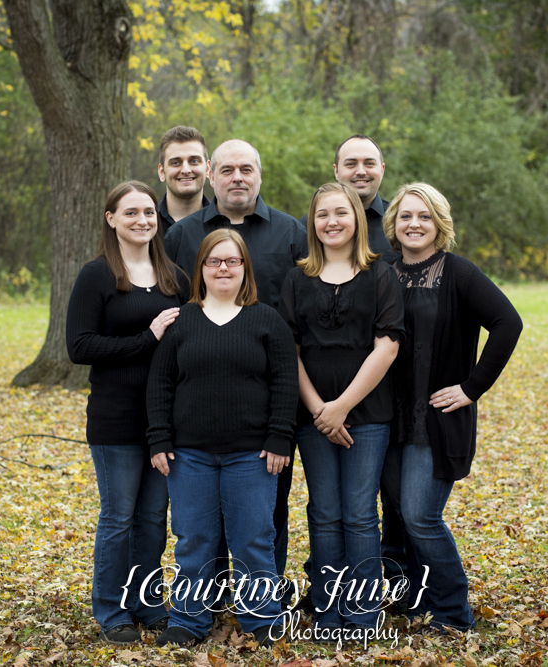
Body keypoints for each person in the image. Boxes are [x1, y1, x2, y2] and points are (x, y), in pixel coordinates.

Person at [163, 139, 307, 590]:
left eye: (246, 168)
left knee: (267, 508)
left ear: (260, 174)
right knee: (200, 517)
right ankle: (212, 594)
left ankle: (263, 593)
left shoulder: (292, 233)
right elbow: (172, 320)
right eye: (227, 170)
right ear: (211, 175)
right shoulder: (183, 235)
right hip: (199, 399)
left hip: (269, 398)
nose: (237, 177)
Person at [380, 182, 522, 631]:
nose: (414, 224)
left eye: (423, 216)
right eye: (406, 216)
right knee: (400, 514)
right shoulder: (382, 272)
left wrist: (471, 387)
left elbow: (507, 323)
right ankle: (418, 600)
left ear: (439, 224)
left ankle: (454, 612)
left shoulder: (458, 273)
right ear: (393, 224)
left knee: (421, 515)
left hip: (437, 420)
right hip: (386, 418)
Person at [147, 229, 299, 647]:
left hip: (252, 455)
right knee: (194, 540)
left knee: (253, 540)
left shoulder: (266, 320)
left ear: (245, 268)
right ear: (201, 269)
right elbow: (159, 384)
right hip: (189, 456)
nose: (223, 268)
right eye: (214, 261)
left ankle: (261, 619)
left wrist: (280, 436)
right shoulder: (183, 321)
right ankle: (189, 622)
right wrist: (159, 438)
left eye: (232, 261)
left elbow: (286, 382)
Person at [65, 181, 189, 644]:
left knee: (153, 519)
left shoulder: (173, 276)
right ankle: (111, 610)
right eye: (131, 212)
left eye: (149, 213)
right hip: (115, 417)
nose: (142, 220)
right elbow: (78, 346)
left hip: (163, 420)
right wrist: (148, 337)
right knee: (118, 517)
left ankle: (147, 602)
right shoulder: (96, 275)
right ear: (111, 218)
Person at [278, 182, 405, 636]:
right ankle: (329, 612)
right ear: (312, 223)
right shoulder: (297, 278)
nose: (332, 222)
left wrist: (342, 407)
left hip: (368, 417)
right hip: (312, 419)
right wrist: (319, 411)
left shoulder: (381, 274)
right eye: (322, 215)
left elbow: (386, 348)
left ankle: (363, 614)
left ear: (356, 218)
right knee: (324, 512)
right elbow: (287, 352)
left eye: (341, 213)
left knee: (359, 512)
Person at [301, 135, 396, 264]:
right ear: (336, 171)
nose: (361, 171)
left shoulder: (399, 223)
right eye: (351, 164)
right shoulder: (305, 229)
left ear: (382, 170)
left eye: (369, 164)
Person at [156, 126, 211, 234]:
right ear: (162, 172)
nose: (186, 170)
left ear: (208, 169)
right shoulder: (145, 224)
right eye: (175, 163)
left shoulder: (225, 224)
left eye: (194, 161)